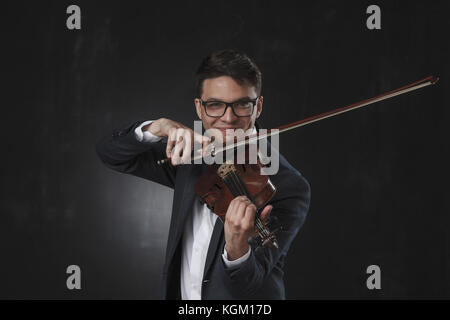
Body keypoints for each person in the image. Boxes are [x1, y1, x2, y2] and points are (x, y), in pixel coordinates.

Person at [95, 49, 311, 299]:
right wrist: (157, 127)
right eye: (215, 105)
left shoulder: (288, 185)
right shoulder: (191, 156)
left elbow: (251, 282)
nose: (228, 119)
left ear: (258, 106)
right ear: (199, 108)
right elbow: (110, 153)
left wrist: (237, 249)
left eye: (242, 104)